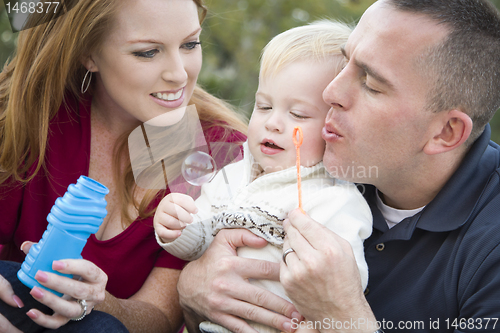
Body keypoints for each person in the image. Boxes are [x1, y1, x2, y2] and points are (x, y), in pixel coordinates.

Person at [176, 0, 500, 332]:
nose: (330, 92)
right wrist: (191, 292)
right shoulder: (304, 165)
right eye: (345, 63)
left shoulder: (490, 247)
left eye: (371, 84)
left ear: (446, 132)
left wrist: (344, 314)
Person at [0, 0, 246, 332]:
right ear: (89, 52)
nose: (179, 74)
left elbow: (160, 318)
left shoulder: (223, 152)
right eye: (148, 52)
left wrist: (96, 300)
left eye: (190, 44)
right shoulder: (29, 116)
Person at [153, 21, 372, 333]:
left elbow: (345, 284)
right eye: (264, 106)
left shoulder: (333, 198)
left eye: (298, 114)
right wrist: (178, 228)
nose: (273, 123)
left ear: (335, 127)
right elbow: (198, 244)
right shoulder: (231, 177)